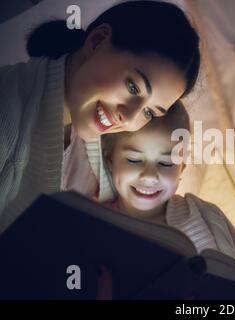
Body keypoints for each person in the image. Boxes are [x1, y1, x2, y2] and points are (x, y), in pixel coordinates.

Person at [0, 1, 201, 231]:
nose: (129, 118)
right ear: (97, 42)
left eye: (149, 112)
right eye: (133, 88)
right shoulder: (7, 110)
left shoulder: (100, 142)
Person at [101, 101, 235, 274]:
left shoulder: (205, 214)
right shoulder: (97, 223)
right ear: (110, 160)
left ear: (181, 169)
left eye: (165, 163)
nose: (149, 176)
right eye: (134, 160)